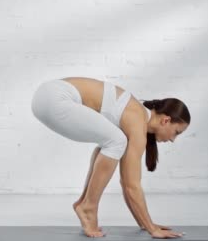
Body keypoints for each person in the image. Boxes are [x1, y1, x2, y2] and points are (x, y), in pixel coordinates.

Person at [31, 77, 191, 238]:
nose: (172, 139)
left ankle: (85, 204)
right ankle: (88, 207)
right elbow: (131, 185)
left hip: (47, 97)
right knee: (116, 141)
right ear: (166, 120)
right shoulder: (137, 122)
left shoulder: (136, 116)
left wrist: (145, 223)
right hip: (55, 99)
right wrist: (152, 229)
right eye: (176, 132)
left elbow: (126, 183)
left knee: (110, 142)